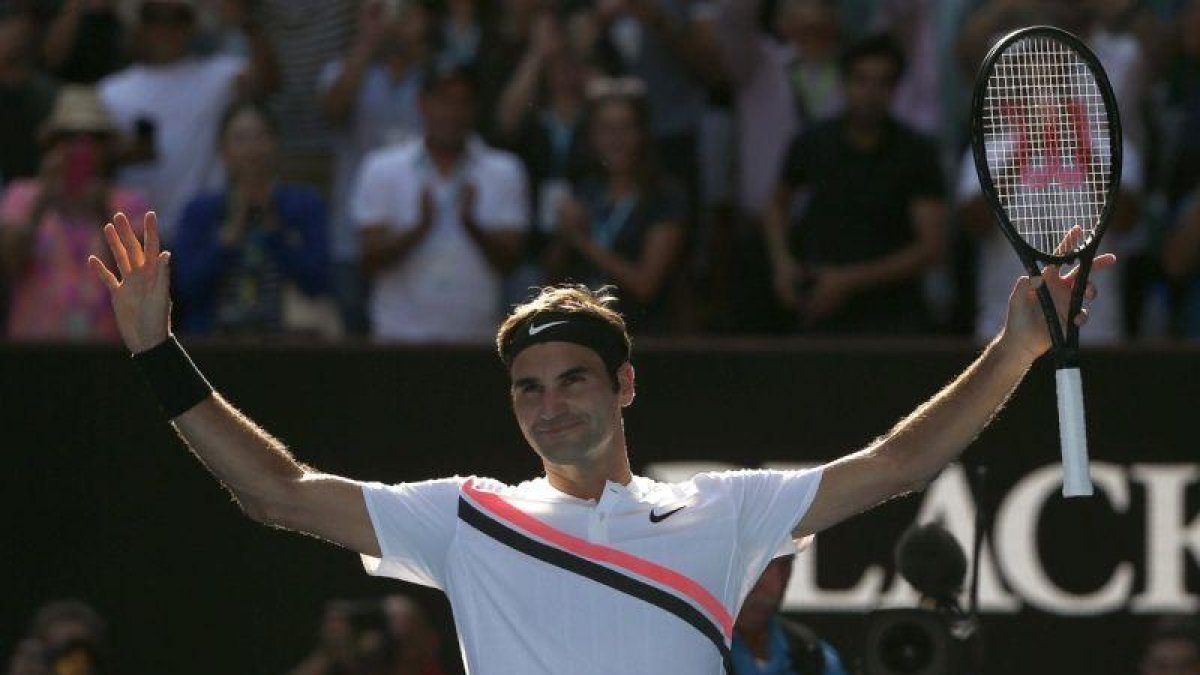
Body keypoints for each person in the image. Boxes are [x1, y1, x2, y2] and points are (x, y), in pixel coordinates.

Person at [87, 202, 1110, 673]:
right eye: (528, 387)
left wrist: (1016, 348)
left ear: (624, 386)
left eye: (574, 378)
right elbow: (276, 490)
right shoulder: (462, 517)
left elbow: (898, 464)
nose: (550, 402)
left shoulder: (725, 511)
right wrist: (157, 354)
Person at [763, 34, 947, 334]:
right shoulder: (813, 142)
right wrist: (783, 264)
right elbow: (776, 204)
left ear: (895, 89)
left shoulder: (917, 154)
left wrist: (848, 281)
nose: (870, 93)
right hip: (818, 309)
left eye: (882, 83)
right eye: (861, 80)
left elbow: (931, 246)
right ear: (844, 82)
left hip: (893, 317)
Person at [353, 63, 527, 342]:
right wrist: (419, 229)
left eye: (463, 102)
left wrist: (472, 225)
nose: (452, 112)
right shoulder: (381, 168)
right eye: (443, 100)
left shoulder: (505, 170)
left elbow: (511, 261)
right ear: (422, 104)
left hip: (475, 337)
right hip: (398, 335)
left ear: (475, 108)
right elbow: (367, 260)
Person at [97, 0, 280, 242]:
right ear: (139, 24)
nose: (165, 27)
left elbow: (269, 83)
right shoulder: (109, 92)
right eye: (154, 17)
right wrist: (125, 154)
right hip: (137, 237)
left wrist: (246, 24)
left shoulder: (218, 76)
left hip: (204, 234)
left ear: (193, 25)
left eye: (178, 17)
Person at [318, 0, 433, 336]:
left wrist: (415, 45)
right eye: (381, 12)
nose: (393, 22)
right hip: (352, 233)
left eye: (404, 13)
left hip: (420, 230)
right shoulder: (344, 70)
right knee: (353, 334)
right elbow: (332, 109)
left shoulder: (435, 80)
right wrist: (368, 40)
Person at [171, 102, 331, 337]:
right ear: (223, 151)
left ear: (276, 144)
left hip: (288, 342)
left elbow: (318, 282)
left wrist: (277, 232)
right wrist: (226, 239)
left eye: (260, 137)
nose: (251, 149)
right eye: (240, 139)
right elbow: (187, 289)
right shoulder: (200, 211)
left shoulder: (304, 205)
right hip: (214, 344)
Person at [0, 85, 146, 339]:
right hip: (34, 348)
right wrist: (44, 200)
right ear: (53, 145)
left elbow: (140, 281)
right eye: (68, 138)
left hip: (107, 352)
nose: (81, 148)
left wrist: (103, 210)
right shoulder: (23, 196)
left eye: (93, 138)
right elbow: (8, 265)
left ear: (106, 148)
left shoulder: (128, 202)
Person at [545, 81, 687, 332]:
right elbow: (551, 280)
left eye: (626, 128)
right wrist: (564, 237)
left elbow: (646, 285)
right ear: (593, 136)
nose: (616, 140)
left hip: (645, 336)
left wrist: (582, 242)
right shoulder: (586, 192)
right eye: (606, 129)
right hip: (587, 335)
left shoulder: (664, 197)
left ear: (642, 133)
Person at [731, 552, 848, 675]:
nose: (775, 586)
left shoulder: (814, 656)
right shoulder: (711, 652)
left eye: (785, 565)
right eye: (762, 565)